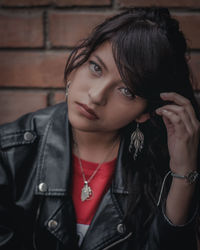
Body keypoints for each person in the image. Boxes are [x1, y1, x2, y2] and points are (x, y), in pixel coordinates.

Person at [0, 7, 200, 250]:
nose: (96, 96)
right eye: (96, 67)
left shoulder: (160, 166)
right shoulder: (9, 152)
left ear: (145, 112)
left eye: (126, 91)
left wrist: (183, 174)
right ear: (83, 57)